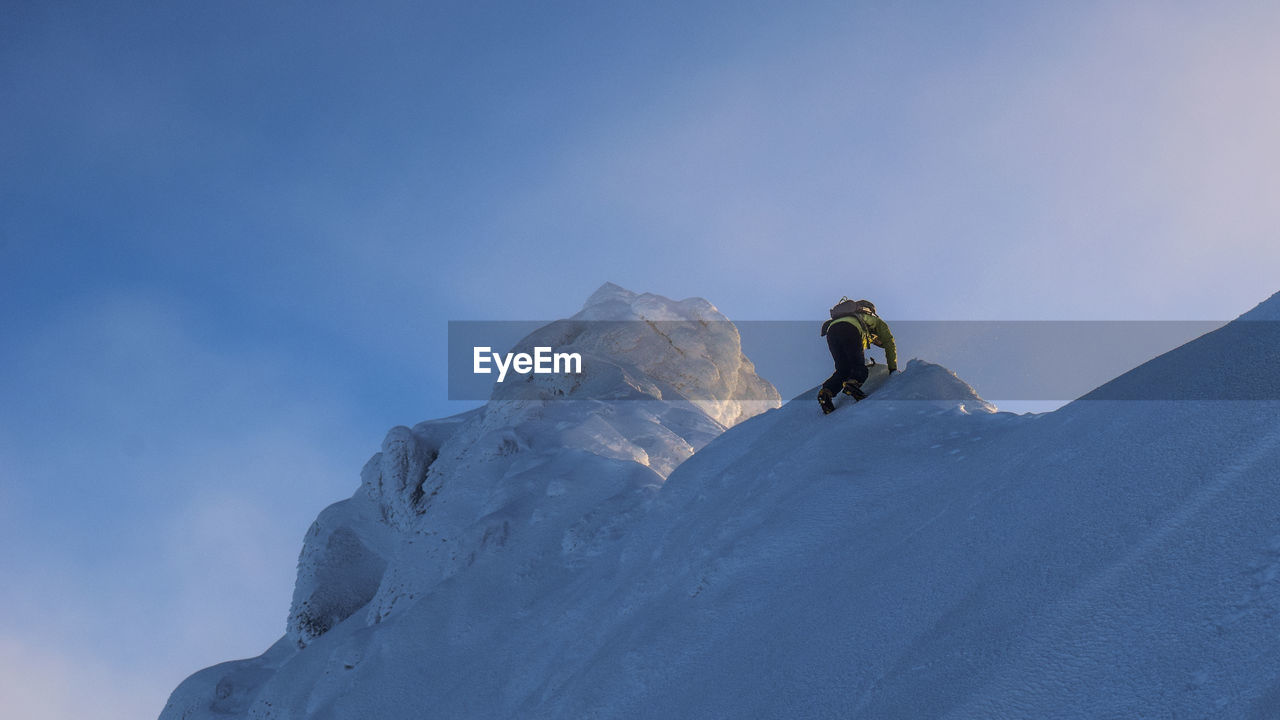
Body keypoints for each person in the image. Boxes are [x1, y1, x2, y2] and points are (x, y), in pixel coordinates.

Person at [817, 298, 898, 414]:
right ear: (870, 310)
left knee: (843, 370)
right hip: (850, 329)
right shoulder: (875, 321)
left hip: (831, 332)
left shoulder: (848, 317)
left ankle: (826, 391)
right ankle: (853, 384)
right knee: (858, 366)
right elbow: (890, 344)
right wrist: (892, 369)